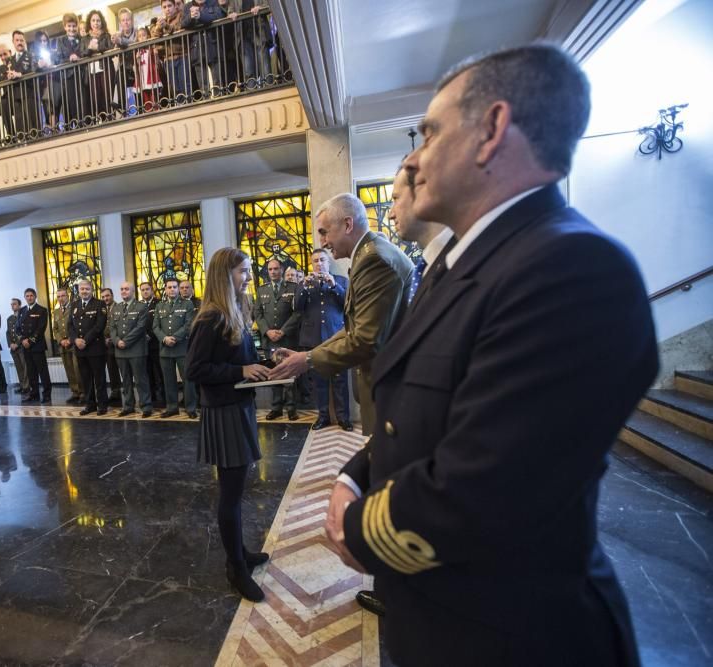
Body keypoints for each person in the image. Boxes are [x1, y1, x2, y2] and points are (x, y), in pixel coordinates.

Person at [328, 44, 658, 667]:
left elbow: (480, 491)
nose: (415, 160)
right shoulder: (459, 265)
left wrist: (355, 528)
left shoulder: (574, 269)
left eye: (428, 132)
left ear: (492, 130)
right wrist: (354, 475)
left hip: (513, 638)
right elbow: (414, 415)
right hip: (440, 622)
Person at [269, 194, 413, 436]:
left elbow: (365, 340)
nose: (323, 242)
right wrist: (307, 354)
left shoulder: (373, 259)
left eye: (325, 232)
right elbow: (352, 328)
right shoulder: (368, 253)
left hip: (389, 387)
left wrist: (307, 361)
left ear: (347, 224)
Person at [185, 247, 270, 601]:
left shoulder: (233, 310)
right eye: (242, 271)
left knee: (237, 491)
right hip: (223, 413)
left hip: (239, 406)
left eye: (248, 271)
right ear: (225, 275)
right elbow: (195, 370)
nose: (247, 276)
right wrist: (240, 371)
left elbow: (241, 359)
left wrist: (267, 361)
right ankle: (235, 567)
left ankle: (242, 553)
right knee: (231, 496)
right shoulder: (210, 319)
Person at [294, 249, 351, 431]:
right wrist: (304, 287)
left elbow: (348, 304)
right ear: (312, 264)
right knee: (318, 381)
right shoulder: (304, 283)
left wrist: (333, 285)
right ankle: (323, 416)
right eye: (315, 261)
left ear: (328, 262)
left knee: (340, 379)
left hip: (336, 337)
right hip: (314, 339)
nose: (319, 264)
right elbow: (298, 308)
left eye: (322, 260)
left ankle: (343, 418)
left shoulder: (341, 281)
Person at [388, 167, 454, 311]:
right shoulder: (428, 264)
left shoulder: (457, 260)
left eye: (396, 199)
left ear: (422, 194)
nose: (390, 214)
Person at [254, 258, 300, 420]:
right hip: (269, 340)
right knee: (273, 373)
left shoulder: (293, 287)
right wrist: (267, 331)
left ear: (282, 269)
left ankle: (291, 408)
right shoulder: (261, 290)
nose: (273, 272)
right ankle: (276, 407)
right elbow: (257, 314)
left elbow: (297, 313)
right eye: (270, 269)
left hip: (287, 339)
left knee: (289, 373)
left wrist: (283, 331)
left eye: (276, 269)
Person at [153, 278, 198, 418]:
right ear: (165, 289)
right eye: (169, 287)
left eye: (174, 287)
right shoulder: (160, 306)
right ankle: (172, 407)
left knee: (187, 380)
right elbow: (155, 326)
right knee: (168, 380)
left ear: (178, 289)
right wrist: (164, 338)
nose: (172, 289)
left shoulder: (187, 304)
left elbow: (189, 324)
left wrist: (175, 338)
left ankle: (190, 408)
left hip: (182, 348)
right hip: (165, 349)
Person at [109, 281, 153, 417]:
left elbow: (140, 328)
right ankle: (128, 405)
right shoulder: (115, 308)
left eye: (126, 289)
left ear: (133, 291)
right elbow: (112, 328)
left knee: (141, 380)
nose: (123, 291)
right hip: (120, 351)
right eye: (122, 289)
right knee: (126, 380)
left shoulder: (141, 307)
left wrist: (125, 342)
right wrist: (117, 341)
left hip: (136, 350)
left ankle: (146, 406)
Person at [68, 280, 108, 415]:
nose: (84, 291)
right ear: (78, 291)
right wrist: (75, 340)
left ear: (92, 290)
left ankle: (102, 405)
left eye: (87, 289)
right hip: (80, 350)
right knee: (86, 378)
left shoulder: (99, 304)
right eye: (82, 289)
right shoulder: (74, 305)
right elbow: (70, 326)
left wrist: (84, 340)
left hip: (95, 348)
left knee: (99, 378)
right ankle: (90, 404)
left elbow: (99, 326)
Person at [182, 0, 226, 99]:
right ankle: (206, 102)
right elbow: (183, 23)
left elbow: (218, 15)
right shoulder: (187, 6)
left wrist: (200, 16)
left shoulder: (213, 2)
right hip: (197, 48)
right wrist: (191, 16)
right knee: (203, 84)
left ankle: (220, 101)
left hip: (213, 45)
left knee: (217, 81)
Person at [16, 288, 52, 404]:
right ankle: (34, 393)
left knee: (43, 371)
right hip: (25, 346)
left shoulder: (42, 310)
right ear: (25, 297)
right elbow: (17, 328)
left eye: (31, 295)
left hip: (37, 345)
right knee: (31, 372)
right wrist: (22, 340)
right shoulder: (21, 311)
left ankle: (46, 394)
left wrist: (30, 341)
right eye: (27, 296)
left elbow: (41, 328)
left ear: (35, 296)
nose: (29, 297)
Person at [226, 1, 272, 88]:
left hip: (259, 31)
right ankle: (252, 93)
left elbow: (269, 5)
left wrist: (260, 8)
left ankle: (269, 89)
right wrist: (232, 14)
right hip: (242, 35)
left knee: (265, 66)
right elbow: (230, 11)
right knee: (248, 70)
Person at [152, 0, 190, 103]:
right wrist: (159, 27)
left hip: (182, 56)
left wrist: (166, 26)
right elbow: (154, 38)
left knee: (185, 88)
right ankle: (180, 111)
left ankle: (189, 110)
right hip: (168, 60)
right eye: (164, 7)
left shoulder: (181, 15)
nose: (167, 9)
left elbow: (178, 28)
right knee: (175, 89)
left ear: (174, 6)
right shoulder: (163, 21)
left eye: (169, 6)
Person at [81, 10, 115, 124]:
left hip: (105, 69)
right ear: (89, 22)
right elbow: (82, 52)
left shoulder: (106, 35)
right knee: (96, 99)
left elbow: (110, 48)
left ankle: (111, 120)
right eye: (93, 20)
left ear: (102, 22)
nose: (96, 23)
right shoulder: (85, 38)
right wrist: (90, 49)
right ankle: (102, 121)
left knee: (107, 97)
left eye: (98, 21)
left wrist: (97, 47)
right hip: (91, 72)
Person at [54, 13, 86, 129]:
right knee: (69, 105)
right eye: (69, 26)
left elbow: (84, 53)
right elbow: (57, 59)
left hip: (80, 76)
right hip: (67, 78)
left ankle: (82, 126)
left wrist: (79, 58)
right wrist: (69, 59)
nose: (72, 29)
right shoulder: (60, 41)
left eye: (74, 26)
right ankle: (70, 127)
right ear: (65, 27)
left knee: (81, 104)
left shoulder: (82, 39)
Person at [52, 287, 83, 404]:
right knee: (69, 369)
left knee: (77, 369)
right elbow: (55, 329)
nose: (61, 298)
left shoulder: (75, 308)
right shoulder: (55, 312)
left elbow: (77, 326)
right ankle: (75, 392)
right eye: (58, 296)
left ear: (68, 295)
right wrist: (61, 341)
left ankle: (83, 392)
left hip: (73, 343)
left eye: (63, 296)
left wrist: (70, 339)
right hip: (63, 345)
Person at [139, 282, 165, 407]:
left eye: (147, 289)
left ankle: (163, 396)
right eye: (142, 290)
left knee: (160, 371)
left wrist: (151, 335)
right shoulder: (138, 305)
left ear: (152, 290)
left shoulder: (159, 303)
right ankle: (152, 396)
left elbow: (160, 323)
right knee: (147, 371)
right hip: (143, 344)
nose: (145, 292)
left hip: (156, 343)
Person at [111, 8, 138, 116]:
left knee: (137, 90)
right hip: (124, 67)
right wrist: (114, 42)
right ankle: (121, 106)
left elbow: (133, 43)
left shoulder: (137, 32)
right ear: (120, 23)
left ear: (132, 20)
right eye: (123, 20)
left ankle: (139, 107)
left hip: (136, 64)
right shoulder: (118, 34)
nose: (126, 22)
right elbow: (113, 51)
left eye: (128, 19)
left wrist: (120, 42)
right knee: (119, 75)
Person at [100, 287, 122, 405]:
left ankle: (128, 392)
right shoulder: (101, 309)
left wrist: (113, 339)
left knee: (124, 370)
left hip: (118, 343)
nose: (105, 298)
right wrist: (104, 339)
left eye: (107, 296)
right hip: (105, 345)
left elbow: (122, 325)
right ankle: (115, 391)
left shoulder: (119, 307)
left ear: (112, 295)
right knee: (111, 369)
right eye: (103, 297)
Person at [134, 27, 163, 113]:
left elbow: (158, 64)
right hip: (143, 80)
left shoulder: (151, 49)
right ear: (137, 39)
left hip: (152, 78)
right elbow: (136, 68)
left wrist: (156, 55)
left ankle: (157, 113)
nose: (142, 37)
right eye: (139, 36)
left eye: (144, 35)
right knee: (146, 100)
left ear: (148, 36)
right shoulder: (137, 52)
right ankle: (148, 113)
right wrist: (137, 59)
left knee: (154, 98)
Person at [6, 298, 30, 395]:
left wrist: (17, 343)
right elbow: (8, 333)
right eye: (11, 304)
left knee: (25, 368)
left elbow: (24, 332)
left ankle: (27, 386)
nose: (13, 306)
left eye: (15, 304)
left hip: (21, 347)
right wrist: (10, 344)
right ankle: (22, 385)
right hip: (13, 348)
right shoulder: (10, 318)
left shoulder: (24, 316)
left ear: (19, 305)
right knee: (18, 368)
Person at [0, 44, 15, 137]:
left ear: (10, 52)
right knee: (3, 104)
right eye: (0, 55)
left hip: (19, 95)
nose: (3, 57)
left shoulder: (16, 63)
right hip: (7, 98)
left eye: (5, 54)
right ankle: (11, 135)